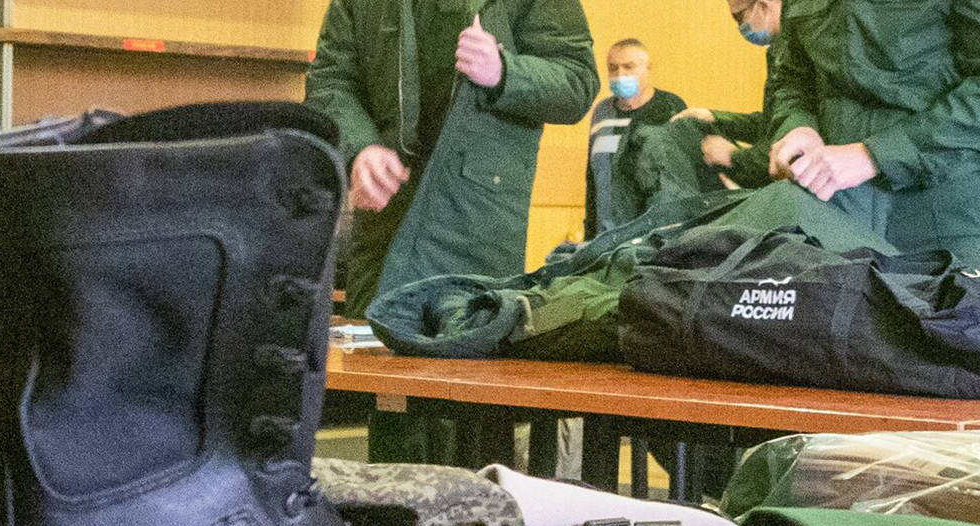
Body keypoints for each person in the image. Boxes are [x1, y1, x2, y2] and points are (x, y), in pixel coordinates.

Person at [306, 0, 598, 317]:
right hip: (386, 223)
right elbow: (331, 80)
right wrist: (360, 147)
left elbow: (577, 80)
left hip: (476, 227)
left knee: (467, 339)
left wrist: (504, 71)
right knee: (370, 340)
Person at [767, 0, 980, 276]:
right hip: (836, 215)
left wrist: (875, 156)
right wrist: (798, 126)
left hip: (953, 215)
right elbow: (793, 77)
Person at [670, 0, 781, 192]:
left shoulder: (804, 54)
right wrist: (714, 117)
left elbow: (796, 148)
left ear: (764, 5)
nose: (741, 27)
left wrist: (734, 157)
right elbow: (772, 123)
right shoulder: (778, 54)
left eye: (739, 17)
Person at [585, 38, 687, 238]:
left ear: (648, 68)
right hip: (608, 236)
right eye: (613, 68)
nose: (620, 75)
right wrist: (589, 235)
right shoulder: (602, 112)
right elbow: (592, 177)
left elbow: (680, 182)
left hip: (655, 237)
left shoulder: (669, 107)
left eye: (628, 67)